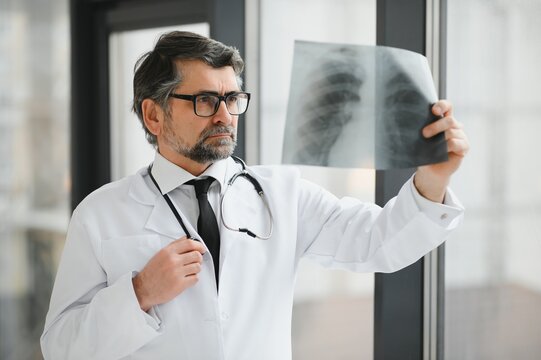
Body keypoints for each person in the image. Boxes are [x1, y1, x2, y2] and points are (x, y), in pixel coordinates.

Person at [41, 31, 469, 360]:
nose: (226, 116)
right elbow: (60, 346)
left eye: (232, 98)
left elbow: (379, 244)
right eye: (206, 100)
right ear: (154, 114)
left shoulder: (281, 194)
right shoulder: (100, 214)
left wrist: (432, 178)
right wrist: (139, 293)